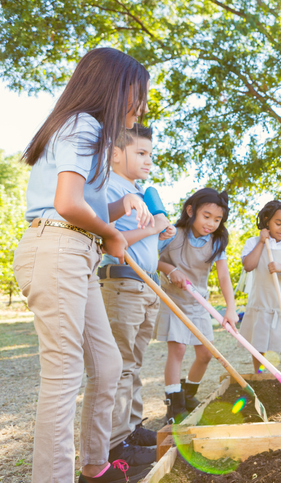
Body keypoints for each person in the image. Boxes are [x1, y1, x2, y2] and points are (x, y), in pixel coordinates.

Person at [13, 48, 153, 483]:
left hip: (77, 253)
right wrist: (113, 235)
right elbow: (66, 206)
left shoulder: (89, 132)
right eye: (139, 94)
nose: (143, 106)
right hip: (56, 250)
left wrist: (119, 206)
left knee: (108, 364)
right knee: (64, 373)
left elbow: (83, 206)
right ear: (115, 89)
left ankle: (95, 466)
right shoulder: (83, 125)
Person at [98, 124, 176, 466]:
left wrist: (161, 236)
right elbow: (108, 239)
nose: (148, 161)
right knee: (121, 363)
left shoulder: (140, 191)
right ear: (116, 154)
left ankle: (132, 426)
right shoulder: (109, 189)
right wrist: (152, 228)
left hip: (146, 284)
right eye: (140, 154)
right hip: (123, 283)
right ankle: (116, 442)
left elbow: (144, 242)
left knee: (135, 362)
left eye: (150, 155)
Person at [156, 188, 238, 423]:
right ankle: (174, 405)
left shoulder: (215, 242)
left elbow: (224, 277)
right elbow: (151, 259)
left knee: (205, 354)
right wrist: (171, 270)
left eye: (217, 219)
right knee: (178, 349)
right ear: (191, 211)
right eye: (206, 216)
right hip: (174, 301)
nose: (211, 223)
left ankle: (188, 395)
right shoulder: (173, 234)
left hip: (199, 302)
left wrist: (230, 308)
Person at [239, 200, 281, 373]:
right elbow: (248, 266)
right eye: (278, 223)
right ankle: (260, 376)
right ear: (267, 220)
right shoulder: (253, 242)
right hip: (260, 302)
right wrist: (261, 242)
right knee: (258, 343)